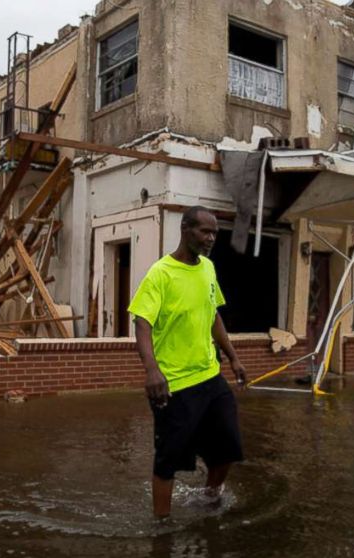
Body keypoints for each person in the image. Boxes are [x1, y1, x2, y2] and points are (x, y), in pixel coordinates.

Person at [128, 206, 248, 519]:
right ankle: (161, 523)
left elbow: (213, 316)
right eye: (204, 232)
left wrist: (233, 358)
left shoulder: (208, 268)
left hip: (210, 376)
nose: (210, 239)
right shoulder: (161, 273)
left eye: (214, 234)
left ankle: (209, 498)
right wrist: (152, 371)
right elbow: (142, 322)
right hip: (175, 384)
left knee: (228, 446)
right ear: (185, 229)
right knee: (168, 459)